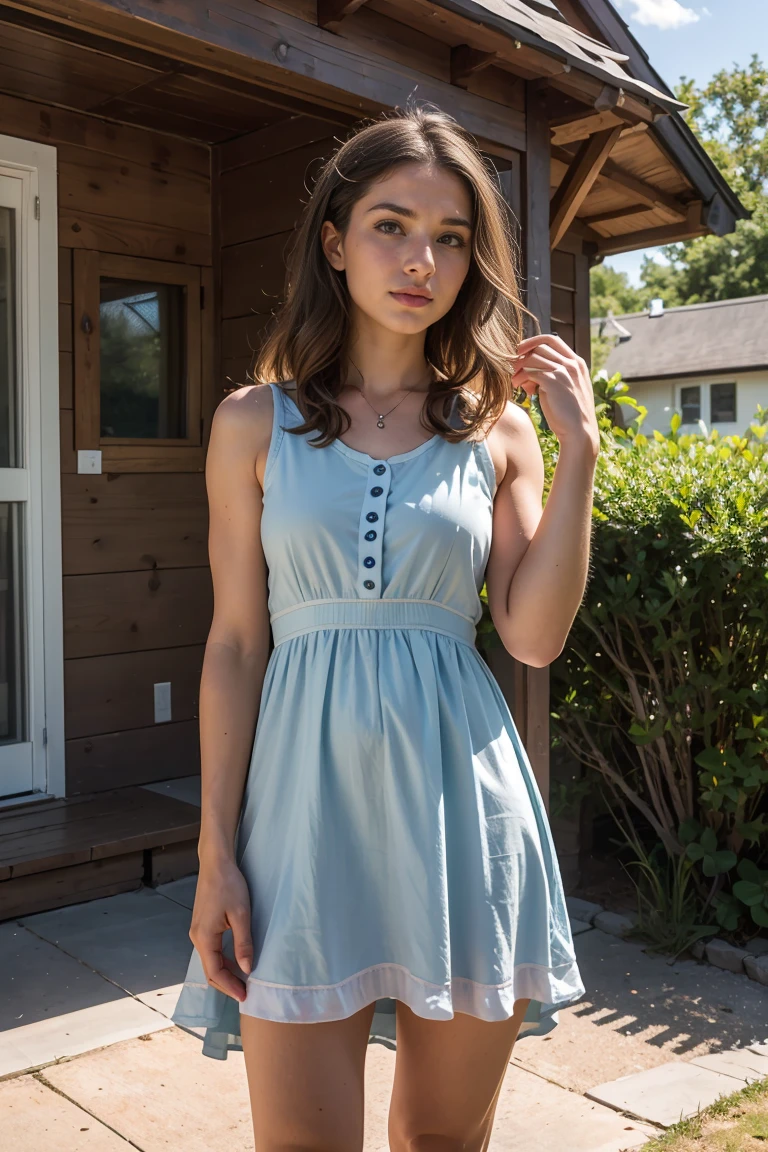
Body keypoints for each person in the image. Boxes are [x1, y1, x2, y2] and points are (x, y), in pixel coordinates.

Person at [172, 101, 596, 1150]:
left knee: (442, 1146)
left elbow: (533, 638)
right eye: (392, 226)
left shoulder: (497, 428)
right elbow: (234, 644)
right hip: (300, 828)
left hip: (465, 821)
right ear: (335, 240)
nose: (423, 260)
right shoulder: (250, 424)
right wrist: (214, 850)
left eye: (452, 238)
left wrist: (579, 451)